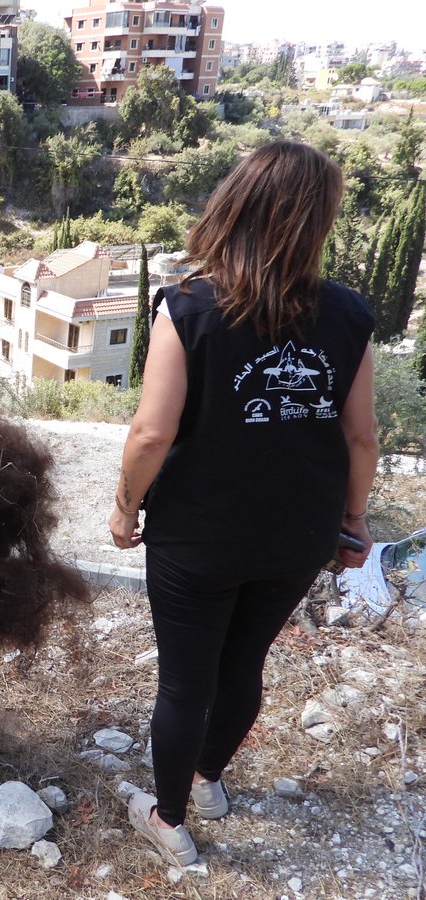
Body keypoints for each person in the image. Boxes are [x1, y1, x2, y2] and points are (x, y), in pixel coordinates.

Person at [107, 142, 379, 865]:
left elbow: (151, 432)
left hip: (199, 536)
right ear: (315, 222)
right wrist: (353, 523)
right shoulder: (349, 316)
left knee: (185, 682)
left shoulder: (189, 307)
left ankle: (169, 821)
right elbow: (361, 439)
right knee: (245, 664)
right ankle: (209, 778)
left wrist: (124, 507)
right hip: (298, 537)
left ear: (235, 205)